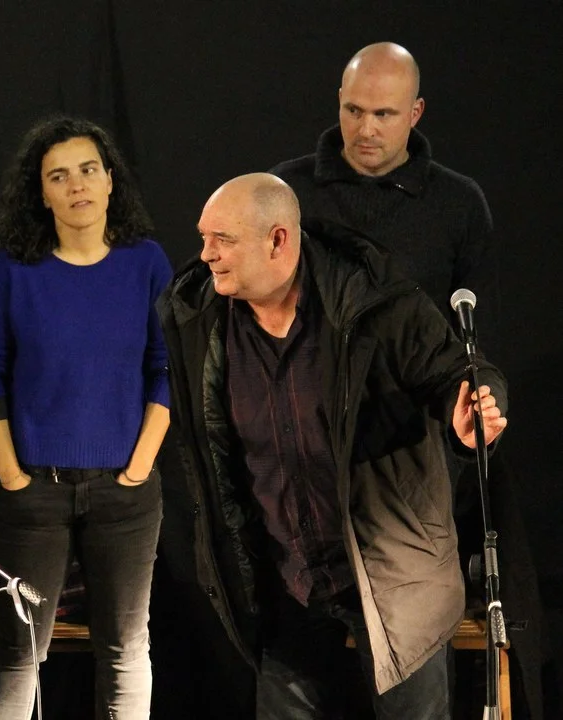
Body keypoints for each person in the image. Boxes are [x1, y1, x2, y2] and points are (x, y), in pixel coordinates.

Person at [156, 173, 508, 720]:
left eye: (222, 239)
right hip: (289, 585)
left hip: (394, 578)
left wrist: (473, 413)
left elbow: (459, 372)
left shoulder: (373, 301)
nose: (206, 255)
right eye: (204, 238)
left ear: (278, 240)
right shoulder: (198, 319)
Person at [0, 116, 172, 719]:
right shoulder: (14, 270)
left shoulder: (147, 264)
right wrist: (11, 473)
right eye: (58, 176)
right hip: (33, 493)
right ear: (41, 193)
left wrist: (140, 466)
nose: (76, 185)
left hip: (125, 494)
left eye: (88, 170)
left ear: (110, 181)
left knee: (126, 648)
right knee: (18, 650)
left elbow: (169, 368)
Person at [270, 42, 498, 349]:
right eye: (354, 110)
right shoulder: (285, 190)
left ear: (415, 113)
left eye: (383, 114)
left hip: (422, 379)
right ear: (339, 100)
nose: (366, 130)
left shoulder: (459, 202)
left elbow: (478, 334)